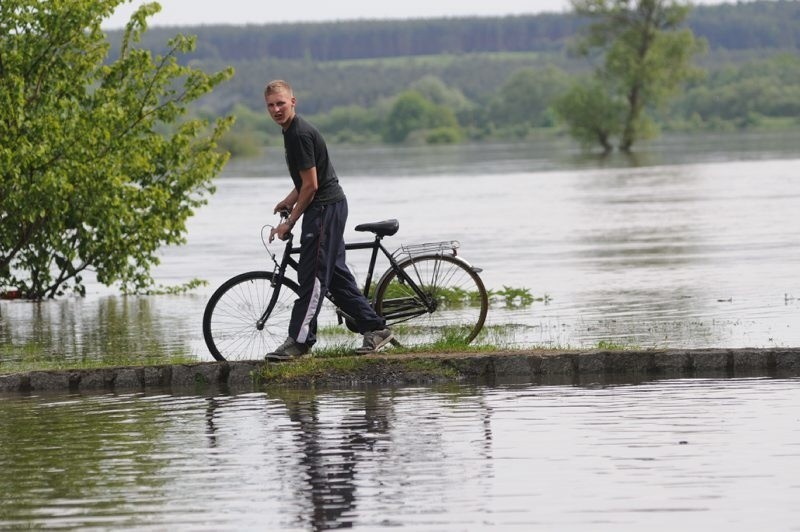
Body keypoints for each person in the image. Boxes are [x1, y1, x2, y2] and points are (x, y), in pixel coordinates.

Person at [263, 79, 393, 361]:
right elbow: (307, 180)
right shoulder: (291, 132)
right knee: (333, 277)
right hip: (328, 206)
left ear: (293, 103)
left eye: (281, 103)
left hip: (323, 209)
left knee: (313, 278)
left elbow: (311, 186)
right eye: (271, 105)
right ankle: (375, 328)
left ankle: (299, 342)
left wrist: (290, 221)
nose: (276, 109)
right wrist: (290, 198)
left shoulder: (298, 134)